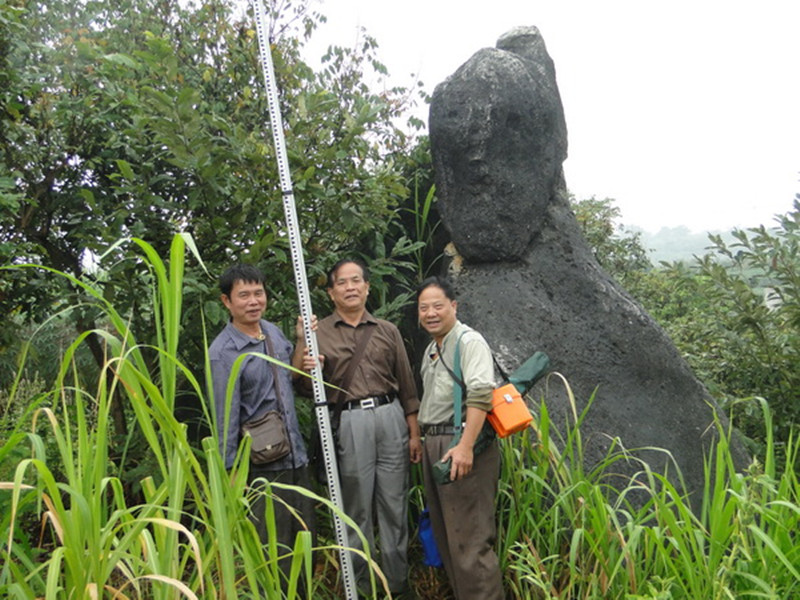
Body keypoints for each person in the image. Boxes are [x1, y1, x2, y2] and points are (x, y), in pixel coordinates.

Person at [294, 258, 421, 597]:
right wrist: (301, 349)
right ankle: (362, 588)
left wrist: (413, 434)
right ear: (332, 292)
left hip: (390, 417)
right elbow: (303, 387)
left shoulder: (387, 330)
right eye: (342, 283)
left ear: (366, 287)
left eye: (356, 281)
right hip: (349, 422)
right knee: (356, 509)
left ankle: (397, 586)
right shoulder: (317, 333)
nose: (350, 287)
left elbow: (408, 388)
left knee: (394, 506)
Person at [208, 263, 316, 588]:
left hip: (296, 457)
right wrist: (232, 478)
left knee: (305, 542)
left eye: (259, 293)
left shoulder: (271, 332)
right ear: (227, 301)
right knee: (275, 551)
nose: (254, 301)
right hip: (262, 469)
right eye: (244, 295)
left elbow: (290, 378)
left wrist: (300, 343)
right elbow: (224, 417)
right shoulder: (223, 353)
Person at [416, 276, 504, 600]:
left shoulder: (469, 341)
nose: (430, 313)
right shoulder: (432, 348)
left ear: (453, 306)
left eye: (438, 305)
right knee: (448, 538)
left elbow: (481, 395)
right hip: (436, 444)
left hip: (461, 442)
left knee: (472, 540)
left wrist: (465, 447)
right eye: (424, 307)